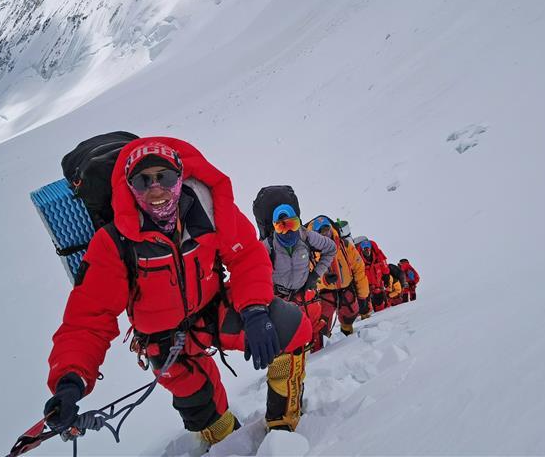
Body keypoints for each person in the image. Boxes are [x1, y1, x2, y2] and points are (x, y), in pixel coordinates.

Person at [44, 138, 312, 445]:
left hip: (212, 314)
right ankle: (230, 445)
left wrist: (254, 309)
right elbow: (88, 318)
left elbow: (246, 256)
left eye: (165, 177)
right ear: (129, 187)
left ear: (180, 177)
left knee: (288, 327)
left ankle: (283, 424)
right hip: (164, 344)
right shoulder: (113, 242)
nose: (155, 188)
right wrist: (70, 381)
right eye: (143, 180)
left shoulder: (210, 210)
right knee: (203, 411)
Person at [263, 204, 336, 347]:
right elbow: (253, 271)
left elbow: (331, 248)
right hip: (281, 301)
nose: (288, 231)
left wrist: (315, 275)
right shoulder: (267, 246)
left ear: (299, 222)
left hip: (306, 297)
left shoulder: (307, 236)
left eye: (292, 224)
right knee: (290, 343)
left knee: (315, 337)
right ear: (274, 228)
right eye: (281, 226)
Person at [305, 216, 370, 348]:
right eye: (321, 232)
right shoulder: (309, 252)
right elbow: (306, 275)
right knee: (320, 324)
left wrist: (363, 296)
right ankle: (318, 352)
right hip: (323, 294)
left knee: (350, 314)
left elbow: (359, 269)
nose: (326, 234)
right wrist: (323, 280)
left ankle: (349, 344)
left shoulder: (345, 246)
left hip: (346, 289)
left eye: (327, 230)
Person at [355, 236, 392, 313]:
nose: (367, 250)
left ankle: (382, 317)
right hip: (365, 287)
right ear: (361, 249)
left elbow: (384, 266)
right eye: (364, 249)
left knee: (380, 303)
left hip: (378, 285)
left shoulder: (378, 255)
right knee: (364, 307)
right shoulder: (357, 259)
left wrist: (386, 276)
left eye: (368, 248)